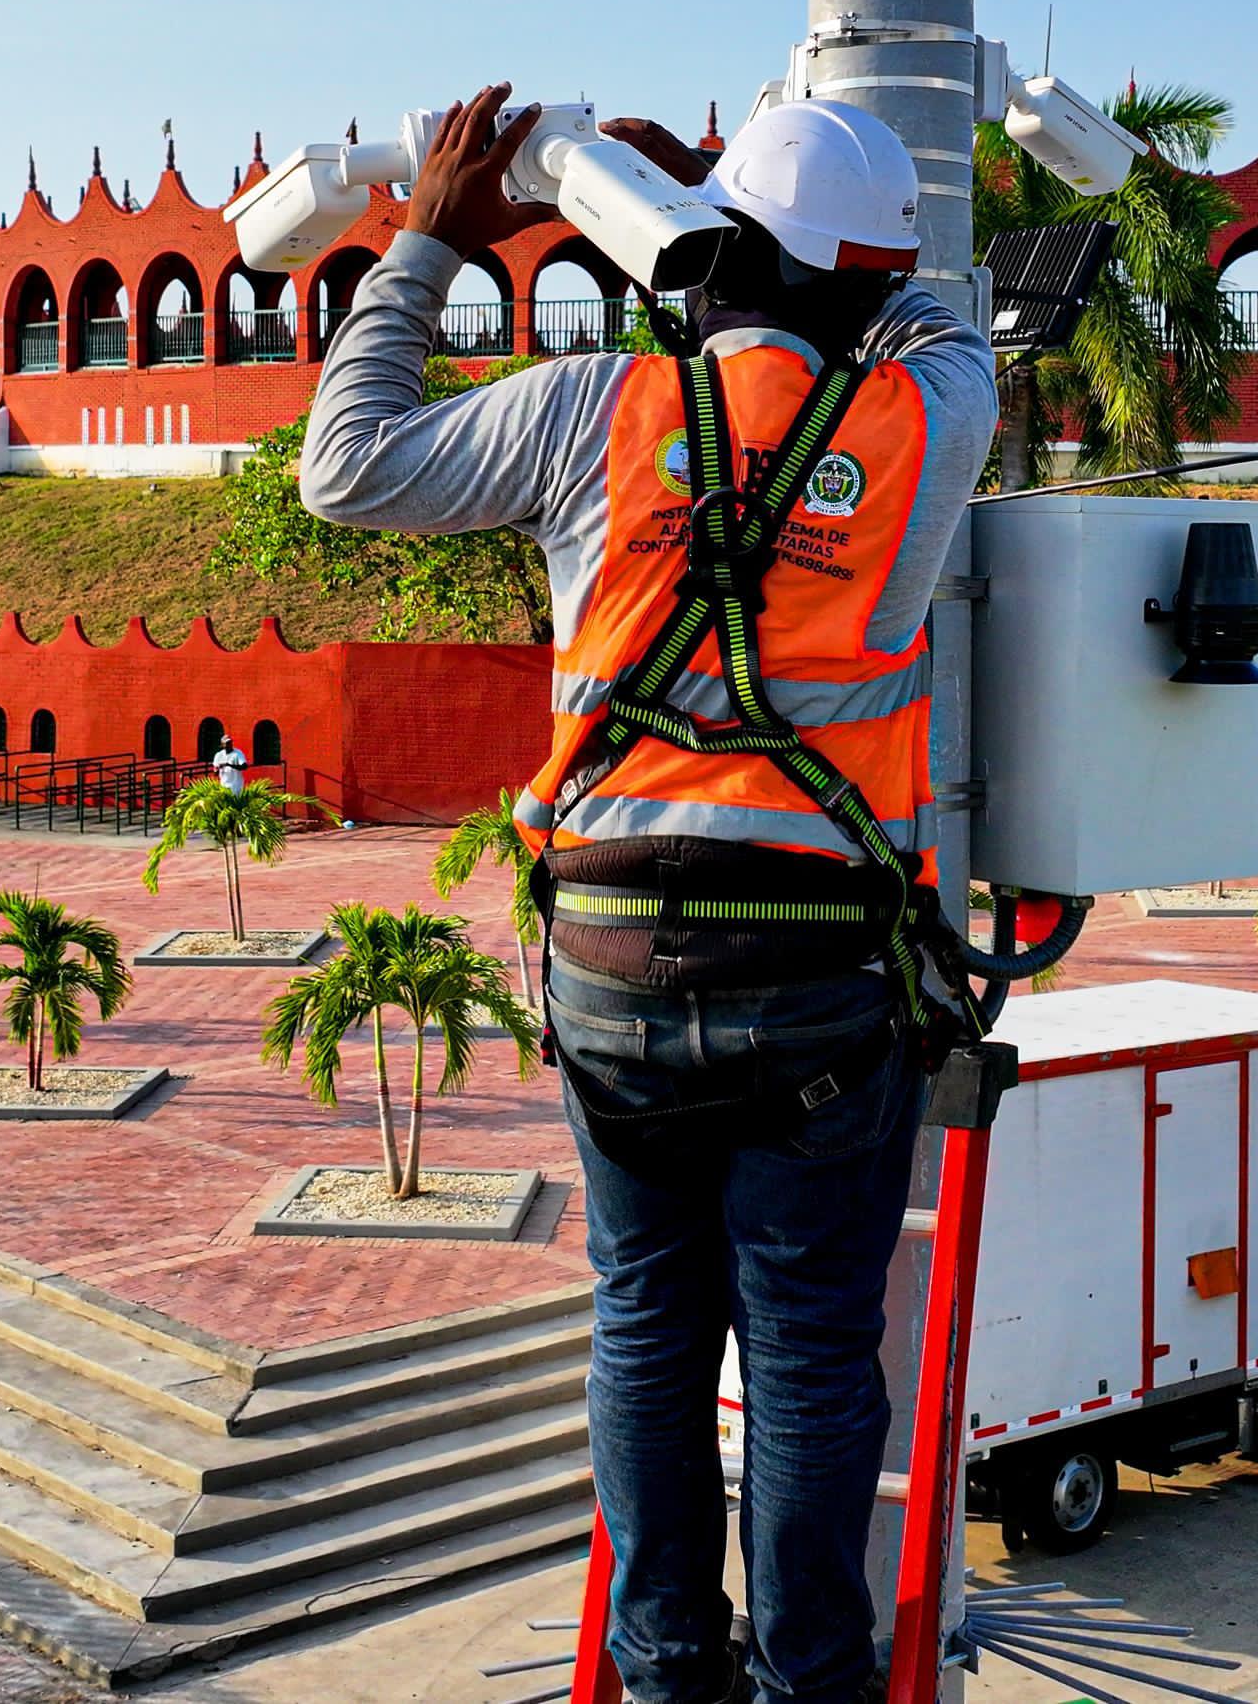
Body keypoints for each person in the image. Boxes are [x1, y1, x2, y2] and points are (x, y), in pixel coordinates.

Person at [299, 84, 996, 1704]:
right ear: (863, 276)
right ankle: (811, 1682)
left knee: (646, 1331)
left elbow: (347, 466)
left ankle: (665, 1674)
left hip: (610, 958)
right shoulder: (928, 421)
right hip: (821, 970)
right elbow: (932, 308)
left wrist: (429, 241)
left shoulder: (593, 410)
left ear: (720, 252)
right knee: (817, 1355)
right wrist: (732, 221)